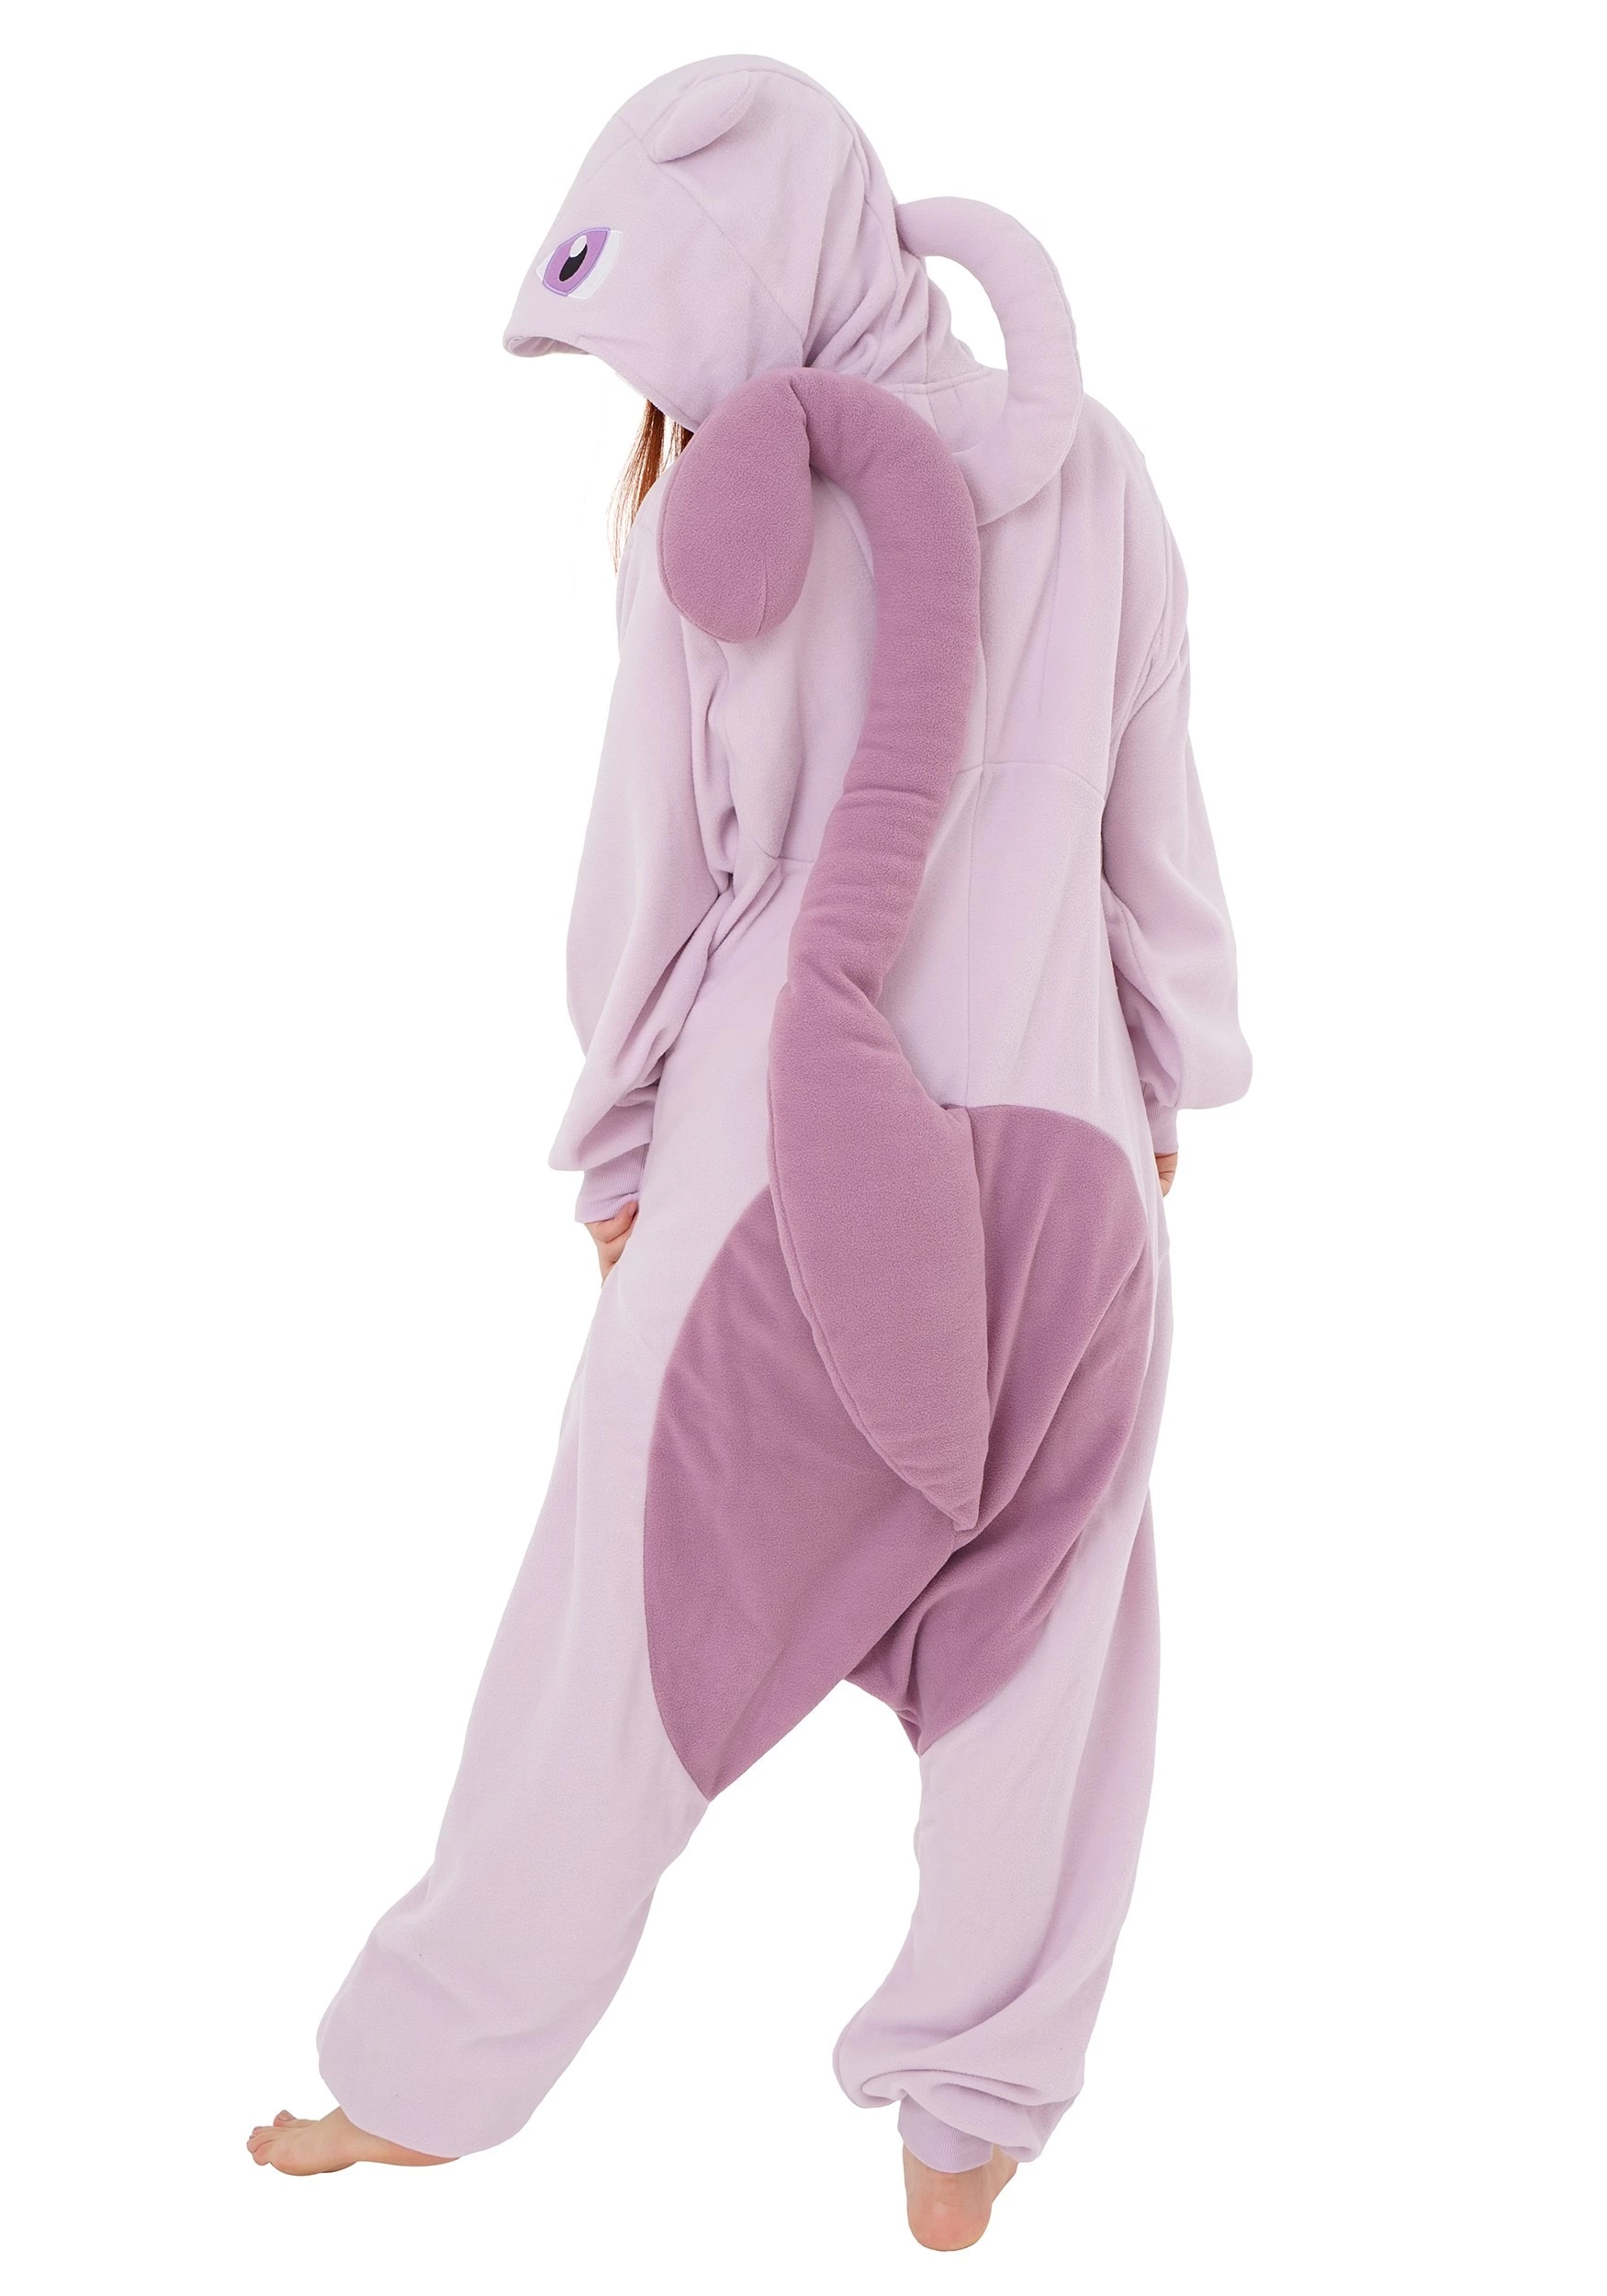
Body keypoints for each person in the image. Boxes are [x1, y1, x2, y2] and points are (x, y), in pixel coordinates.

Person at [248, 54, 1251, 2253]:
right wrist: (1166, 1088)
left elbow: (661, 872)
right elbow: (1147, 828)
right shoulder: (1099, 470)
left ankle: (423, 2076)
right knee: (1053, 1635)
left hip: (784, 1162)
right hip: (1077, 1153)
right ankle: (968, 2111)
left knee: (613, 1612)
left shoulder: (730, 496)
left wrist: (615, 1136)